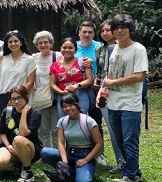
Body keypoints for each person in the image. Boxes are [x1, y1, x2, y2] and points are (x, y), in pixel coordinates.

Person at [99, 14, 148, 182]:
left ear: (130, 29)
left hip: (130, 103)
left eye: (123, 27)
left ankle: (128, 181)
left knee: (129, 141)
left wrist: (114, 83)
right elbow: (108, 75)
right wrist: (102, 92)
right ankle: (134, 174)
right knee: (119, 140)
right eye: (116, 28)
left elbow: (139, 76)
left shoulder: (138, 49)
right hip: (113, 101)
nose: (119, 30)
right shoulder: (113, 50)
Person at [40, 93, 103, 182]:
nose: (68, 108)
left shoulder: (88, 121)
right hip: (69, 154)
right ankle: (69, 171)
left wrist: (85, 160)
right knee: (44, 152)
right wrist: (64, 161)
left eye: (70, 105)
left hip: (85, 155)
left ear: (77, 104)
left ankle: (73, 173)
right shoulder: (62, 121)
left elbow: (99, 144)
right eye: (65, 106)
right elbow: (60, 143)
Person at [0, 85, 44, 182]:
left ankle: (27, 171)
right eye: (13, 99)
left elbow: (22, 133)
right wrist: (8, 145)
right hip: (11, 147)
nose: (16, 101)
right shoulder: (7, 112)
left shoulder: (35, 113)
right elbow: (2, 132)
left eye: (19, 98)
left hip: (30, 149)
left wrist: (24, 113)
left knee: (18, 139)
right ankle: (18, 164)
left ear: (27, 96)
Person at [76, 20, 105, 165]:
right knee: (77, 120)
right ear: (79, 33)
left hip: (96, 88)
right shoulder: (72, 47)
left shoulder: (99, 47)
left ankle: (99, 153)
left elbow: (104, 65)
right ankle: (77, 150)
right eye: (84, 32)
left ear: (94, 34)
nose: (86, 35)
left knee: (95, 121)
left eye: (90, 32)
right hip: (78, 89)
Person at [96, 19, 122, 171]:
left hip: (116, 88)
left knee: (118, 126)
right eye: (102, 31)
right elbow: (100, 71)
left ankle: (124, 160)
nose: (105, 33)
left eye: (108, 30)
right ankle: (120, 160)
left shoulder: (120, 48)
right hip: (103, 89)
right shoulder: (100, 49)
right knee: (111, 126)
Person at [0, 30, 36, 116]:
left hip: (20, 97)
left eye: (16, 41)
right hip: (4, 97)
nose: (13, 44)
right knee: (7, 125)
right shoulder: (2, 59)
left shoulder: (29, 59)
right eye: (10, 42)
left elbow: (30, 81)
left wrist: (16, 96)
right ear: (7, 44)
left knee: (21, 122)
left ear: (21, 43)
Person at [50, 37, 94, 119]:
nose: (67, 50)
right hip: (63, 97)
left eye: (70, 48)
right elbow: (52, 83)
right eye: (64, 47)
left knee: (81, 122)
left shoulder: (83, 61)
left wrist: (76, 86)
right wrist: (61, 92)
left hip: (80, 95)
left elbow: (90, 80)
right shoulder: (54, 65)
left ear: (75, 50)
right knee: (65, 122)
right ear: (60, 49)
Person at [30, 31, 58, 148]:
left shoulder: (59, 55)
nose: (43, 45)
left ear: (51, 43)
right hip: (40, 96)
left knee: (57, 128)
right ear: (36, 46)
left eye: (46, 42)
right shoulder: (33, 58)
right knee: (43, 129)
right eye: (40, 43)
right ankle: (46, 152)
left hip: (56, 95)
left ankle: (58, 153)